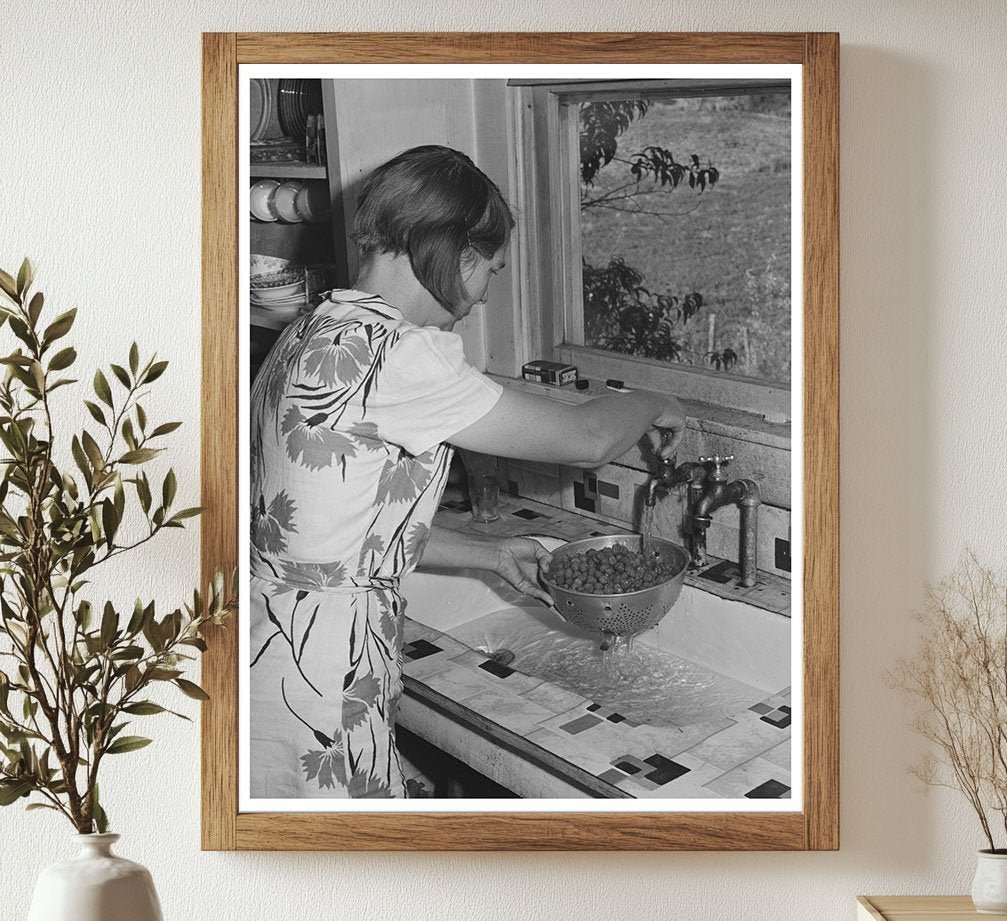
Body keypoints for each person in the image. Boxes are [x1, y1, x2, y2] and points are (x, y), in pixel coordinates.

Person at [249, 145, 685, 799]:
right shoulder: (397, 355)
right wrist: (661, 401)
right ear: (456, 253)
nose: (483, 295)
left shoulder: (318, 325)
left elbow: (336, 530)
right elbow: (589, 439)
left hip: (274, 644)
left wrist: (484, 552)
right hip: (322, 667)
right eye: (491, 270)